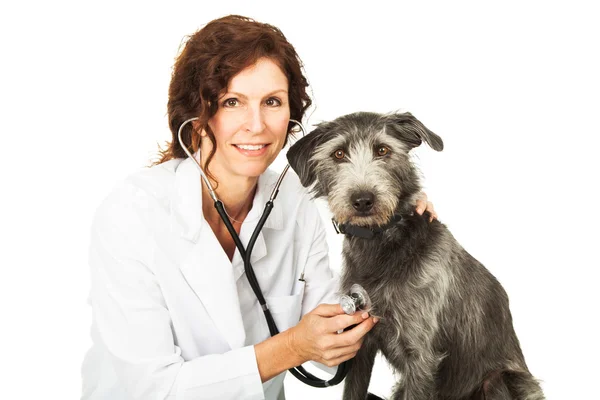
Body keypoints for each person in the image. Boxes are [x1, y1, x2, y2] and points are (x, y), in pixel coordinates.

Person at [81, 15, 437, 400]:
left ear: (291, 115)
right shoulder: (130, 214)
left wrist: (395, 215)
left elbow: (330, 354)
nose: (256, 124)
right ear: (198, 117)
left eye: (272, 102)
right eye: (233, 102)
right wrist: (292, 347)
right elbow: (154, 387)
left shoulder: (295, 204)